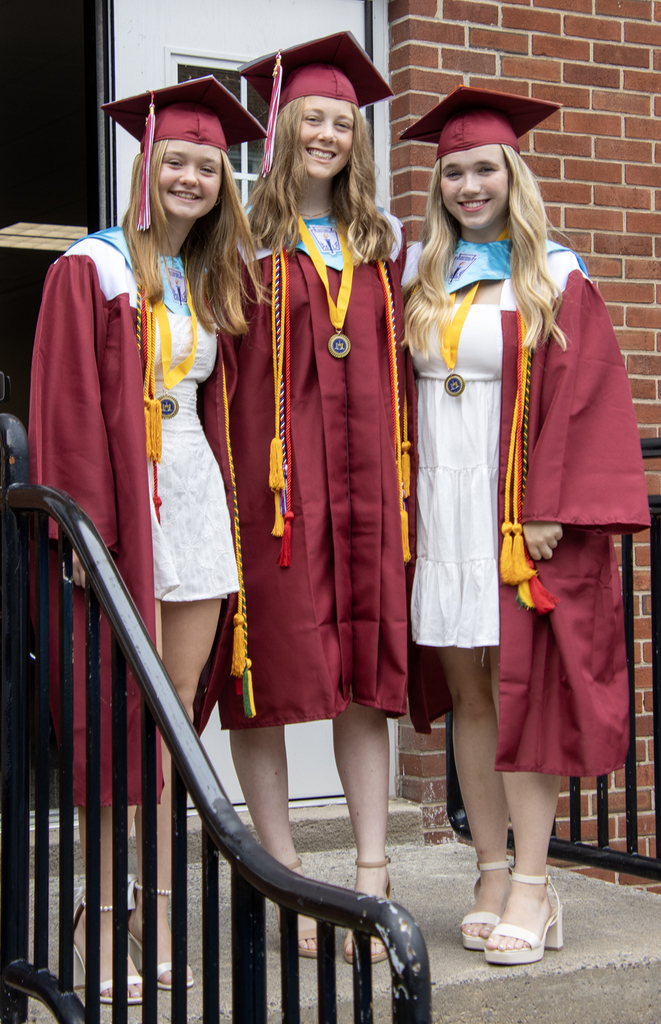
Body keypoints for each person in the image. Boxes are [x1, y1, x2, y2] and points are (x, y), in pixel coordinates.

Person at [400, 87, 650, 966]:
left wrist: (545, 503)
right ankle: (489, 868)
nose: (469, 186)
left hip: (510, 514)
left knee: (521, 687)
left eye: (483, 169)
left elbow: (584, 397)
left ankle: (537, 885)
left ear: (513, 175)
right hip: (438, 506)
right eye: (454, 172)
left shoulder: (553, 274)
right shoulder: (418, 273)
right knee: (468, 687)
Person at [29, 77, 265, 1000]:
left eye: (207, 167)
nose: (191, 178)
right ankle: (96, 907)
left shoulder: (209, 278)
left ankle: (158, 907)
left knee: (169, 727)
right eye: (176, 161)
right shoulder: (89, 268)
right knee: (111, 724)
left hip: (195, 496)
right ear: (146, 165)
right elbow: (64, 410)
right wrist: (86, 536)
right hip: (124, 507)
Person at [197, 32, 416, 962]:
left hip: (368, 491)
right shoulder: (236, 236)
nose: (327, 133)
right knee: (269, 684)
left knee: (365, 683)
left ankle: (370, 877)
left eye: (341, 121)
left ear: (356, 139)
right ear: (281, 131)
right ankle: (284, 875)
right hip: (274, 497)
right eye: (311, 119)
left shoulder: (387, 244)